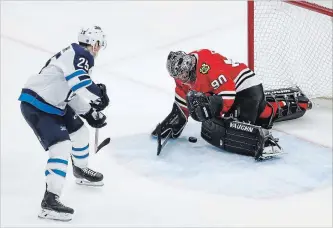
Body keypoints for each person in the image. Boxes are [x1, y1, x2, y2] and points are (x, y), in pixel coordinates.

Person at [18, 25, 110, 221]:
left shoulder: (73, 55)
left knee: (80, 133)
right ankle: (49, 202)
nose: (99, 49)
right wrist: (98, 96)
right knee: (61, 147)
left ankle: (80, 169)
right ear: (94, 44)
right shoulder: (82, 54)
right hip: (39, 105)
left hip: (53, 103)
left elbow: (70, 92)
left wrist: (91, 113)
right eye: (99, 45)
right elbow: (81, 83)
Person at [152, 49, 312, 160]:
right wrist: (177, 119)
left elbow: (227, 91)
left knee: (254, 120)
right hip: (223, 91)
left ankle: (295, 103)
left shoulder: (207, 67)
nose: (181, 78)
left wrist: (219, 111)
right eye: (177, 75)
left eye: (183, 74)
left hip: (246, 87)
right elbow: (183, 96)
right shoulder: (180, 74)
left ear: (190, 66)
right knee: (210, 112)